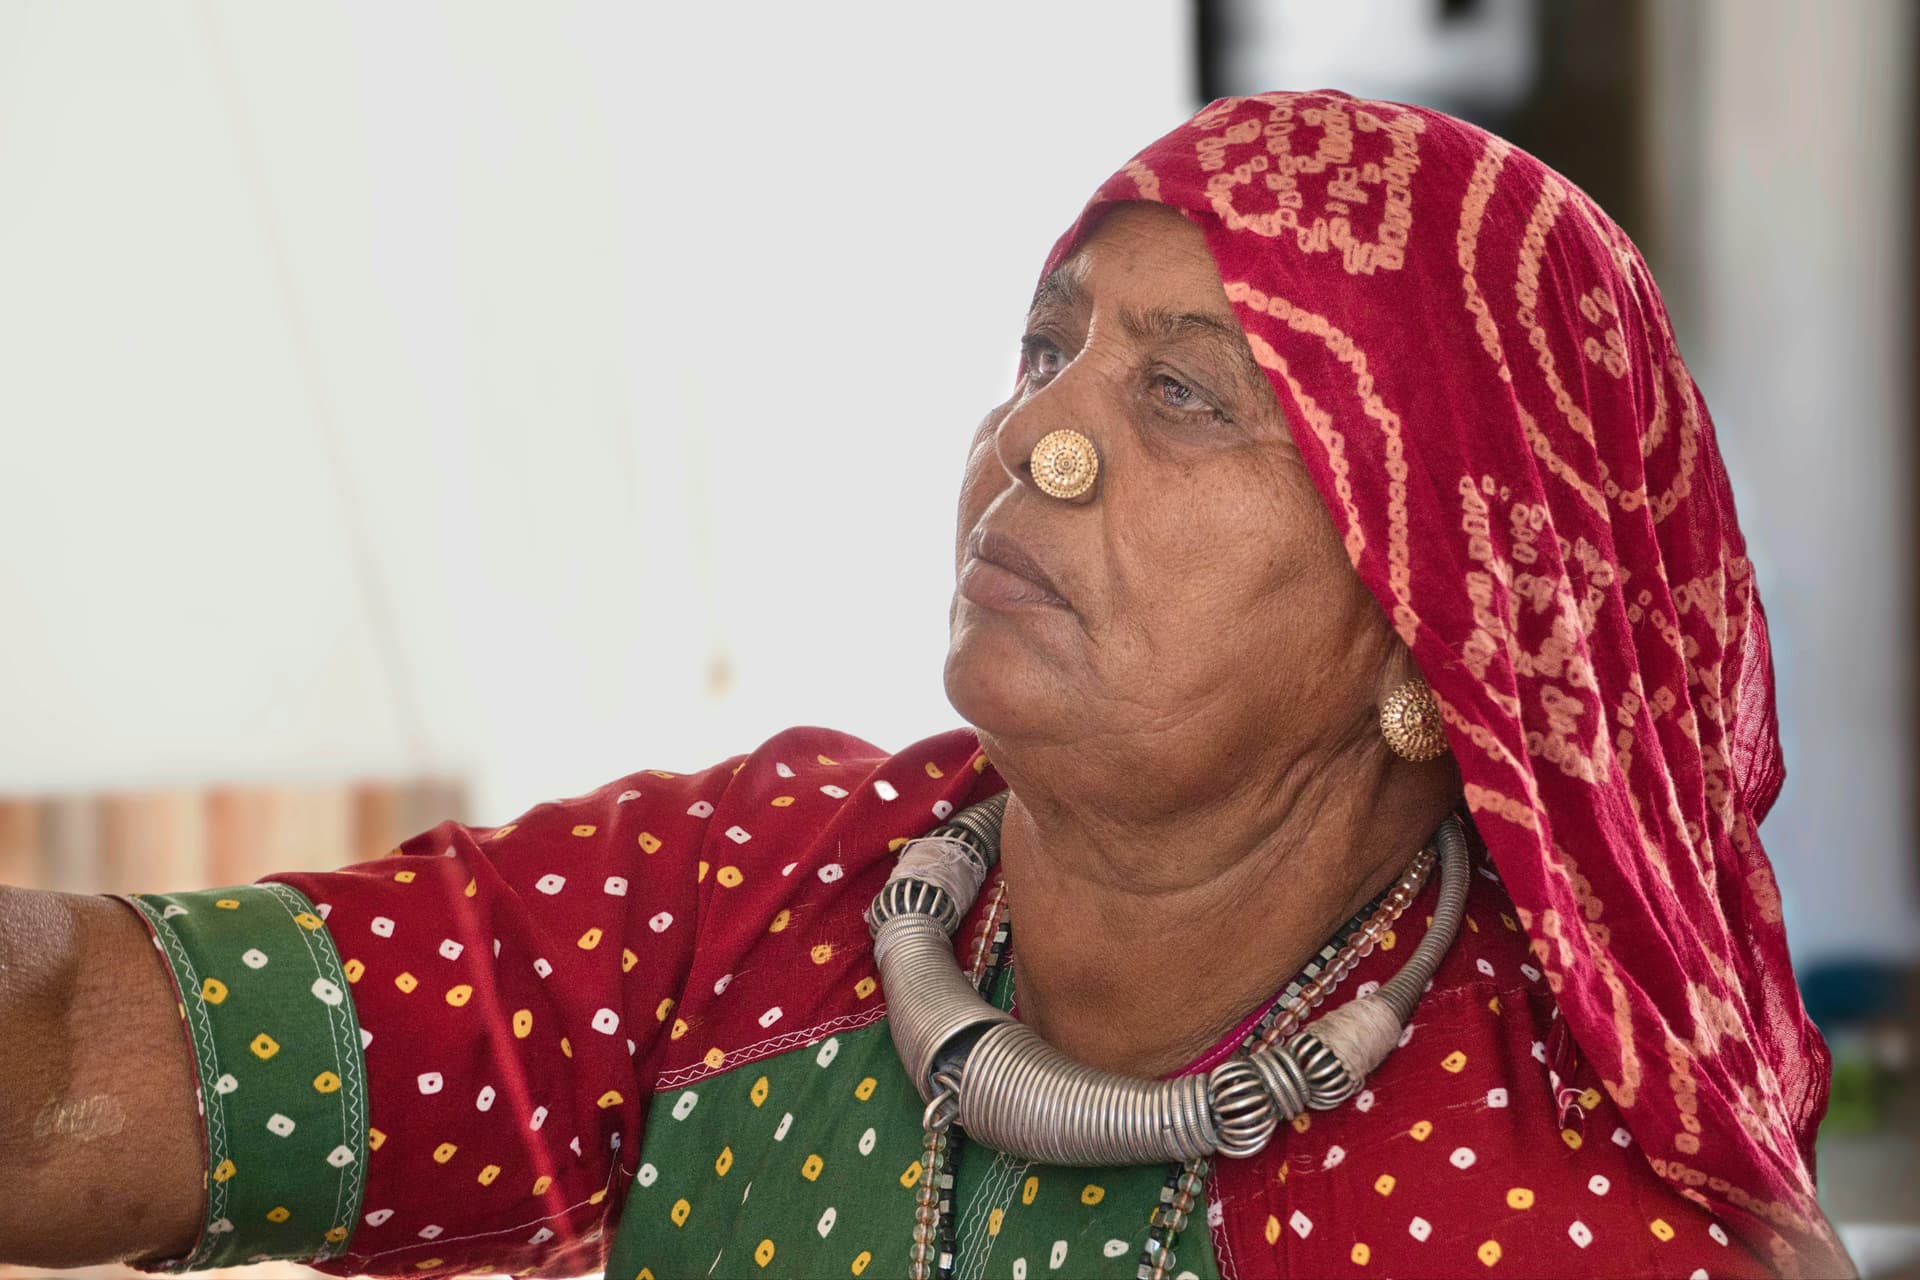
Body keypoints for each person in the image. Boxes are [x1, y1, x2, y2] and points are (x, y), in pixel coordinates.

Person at [0, 89, 1851, 1279]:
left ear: (1435, 635)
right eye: (1046, 351)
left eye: (1183, 393)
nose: (1038, 438)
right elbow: (78, 1049)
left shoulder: (1569, 1223)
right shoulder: (757, 895)